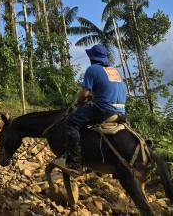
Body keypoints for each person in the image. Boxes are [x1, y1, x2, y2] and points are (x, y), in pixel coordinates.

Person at [52, 43, 127, 175]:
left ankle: (75, 162)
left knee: (70, 122)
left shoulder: (92, 69)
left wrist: (78, 102)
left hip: (104, 110)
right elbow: (105, 91)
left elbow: (85, 94)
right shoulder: (115, 71)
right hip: (121, 112)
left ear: (92, 58)